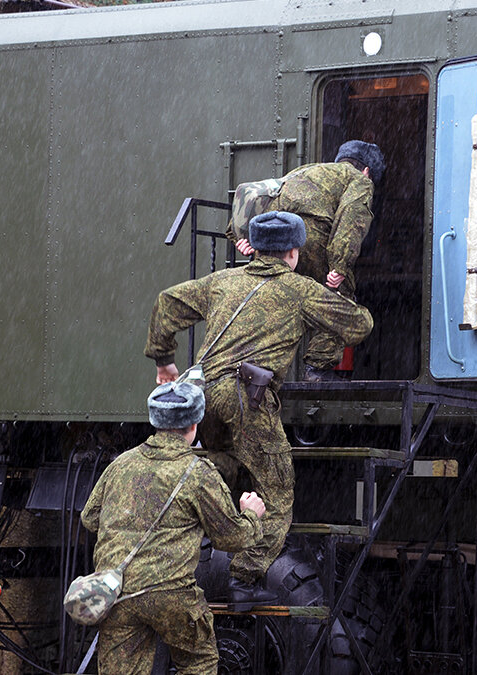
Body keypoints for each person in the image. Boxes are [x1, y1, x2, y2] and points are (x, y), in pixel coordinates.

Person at [146, 211, 373, 608]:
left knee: (225, 463)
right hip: (244, 399)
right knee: (278, 490)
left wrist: (164, 361)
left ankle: (179, 529)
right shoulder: (298, 290)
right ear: (293, 251)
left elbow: (166, 304)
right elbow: (359, 326)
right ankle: (244, 580)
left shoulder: (222, 281)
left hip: (203, 399)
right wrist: (334, 301)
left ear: (255, 247)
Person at [81, 381, 266, 675]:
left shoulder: (120, 465)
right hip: (171, 596)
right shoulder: (198, 474)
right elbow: (232, 537)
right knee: (198, 663)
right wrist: (251, 514)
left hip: (116, 594)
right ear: (194, 426)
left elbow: (90, 519)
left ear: (155, 421)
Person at [231, 140, 385, 381]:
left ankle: (255, 367)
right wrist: (339, 266)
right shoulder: (359, 180)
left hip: (273, 236)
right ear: (367, 170)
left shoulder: (308, 171)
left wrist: (245, 239)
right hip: (308, 235)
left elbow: (262, 199)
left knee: (277, 300)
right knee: (337, 301)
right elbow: (351, 221)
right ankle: (316, 369)